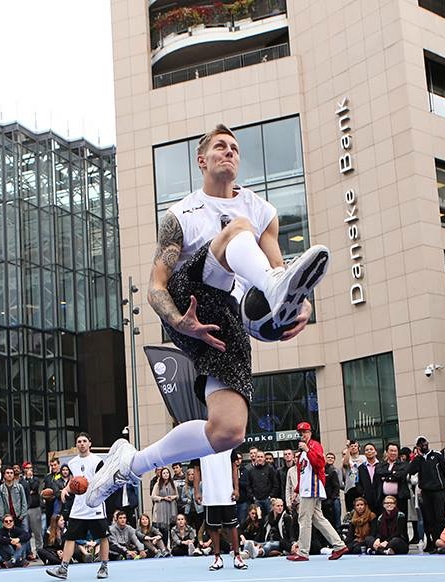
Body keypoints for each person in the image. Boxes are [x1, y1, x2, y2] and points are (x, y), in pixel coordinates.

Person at [85, 123, 329, 509]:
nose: (229, 152)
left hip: (224, 317)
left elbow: (280, 271)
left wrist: (297, 308)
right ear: (202, 160)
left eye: (234, 147)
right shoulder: (181, 215)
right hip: (188, 299)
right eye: (220, 146)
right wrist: (179, 321)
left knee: (228, 432)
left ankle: (129, 464)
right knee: (237, 231)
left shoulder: (262, 210)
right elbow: (154, 286)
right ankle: (269, 286)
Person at [46, 433, 111, 581]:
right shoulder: (73, 463)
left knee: (103, 537)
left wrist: (92, 486)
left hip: (95, 505)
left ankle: (104, 566)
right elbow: (74, 481)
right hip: (78, 507)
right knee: (70, 537)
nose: (81, 444)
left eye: (84, 441)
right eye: (79, 442)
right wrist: (65, 489)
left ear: (90, 444)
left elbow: (104, 480)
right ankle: (63, 569)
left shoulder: (97, 461)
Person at [286, 422, 348, 562]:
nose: (302, 435)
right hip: (307, 488)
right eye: (300, 432)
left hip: (312, 488)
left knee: (304, 518)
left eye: (304, 432)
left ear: (310, 433)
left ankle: (303, 552)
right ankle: (339, 545)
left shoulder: (314, 446)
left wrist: (307, 450)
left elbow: (320, 464)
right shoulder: (303, 450)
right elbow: (302, 472)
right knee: (318, 518)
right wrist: (297, 489)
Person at [194, 447, 247, 571]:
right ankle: (217, 557)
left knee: (232, 526)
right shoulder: (200, 448)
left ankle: (237, 556)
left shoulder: (228, 447)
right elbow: (196, 470)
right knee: (212, 527)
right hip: (210, 495)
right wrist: (196, 491)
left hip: (227, 495)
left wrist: (236, 488)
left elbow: (234, 467)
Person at [408, 436, 445, 553]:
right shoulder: (418, 459)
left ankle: (441, 541)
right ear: (417, 447)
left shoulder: (437, 456)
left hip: (438, 491)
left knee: (440, 518)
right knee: (428, 519)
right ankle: (431, 541)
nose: (423, 445)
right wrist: (417, 457)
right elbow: (411, 470)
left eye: (425, 443)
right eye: (420, 444)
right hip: (425, 492)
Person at [376, 442, 410, 519]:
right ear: (387, 452)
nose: (393, 453)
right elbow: (379, 472)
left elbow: (399, 475)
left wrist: (386, 477)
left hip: (400, 498)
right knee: (385, 522)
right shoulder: (380, 465)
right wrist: (392, 474)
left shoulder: (403, 464)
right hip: (384, 497)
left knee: (400, 520)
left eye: (395, 451)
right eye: (391, 451)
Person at [0, 466, 29, 534]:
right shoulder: (0, 489)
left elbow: (24, 502)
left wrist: (22, 515)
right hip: (7, 518)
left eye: (11, 473)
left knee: (25, 535)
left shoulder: (19, 487)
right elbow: (0, 505)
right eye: (7, 473)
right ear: (4, 475)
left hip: (20, 516)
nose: (9, 474)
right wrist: (3, 518)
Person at [356, 443, 384, 515]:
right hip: (367, 499)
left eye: (371, 449)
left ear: (375, 452)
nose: (369, 451)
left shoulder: (382, 465)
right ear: (364, 453)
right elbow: (358, 482)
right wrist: (363, 493)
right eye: (367, 450)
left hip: (381, 498)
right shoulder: (361, 468)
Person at [21, 462, 43, 547]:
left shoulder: (36, 479)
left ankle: (39, 550)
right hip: (24, 508)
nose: (29, 470)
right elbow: (24, 490)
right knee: (26, 531)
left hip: (34, 507)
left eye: (30, 468)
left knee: (37, 531)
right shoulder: (21, 480)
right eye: (27, 468)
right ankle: (28, 551)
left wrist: (30, 478)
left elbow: (34, 487)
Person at [341, 440, 366, 512]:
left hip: (362, 487)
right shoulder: (347, 458)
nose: (353, 447)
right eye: (351, 446)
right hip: (350, 488)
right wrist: (348, 448)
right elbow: (345, 463)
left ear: (359, 448)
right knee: (351, 511)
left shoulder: (364, 458)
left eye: (355, 446)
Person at [179, 466, 204, 532]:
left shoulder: (200, 484)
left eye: (193, 474)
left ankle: (198, 541)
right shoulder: (185, 487)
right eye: (189, 475)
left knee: (199, 527)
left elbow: (204, 495)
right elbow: (182, 498)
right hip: (188, 510)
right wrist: (187, 500)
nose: (191, 476)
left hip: (199, 510)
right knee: (188, 527)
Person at [323, 452, 343, 529]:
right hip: (323, 497)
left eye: (332, 458)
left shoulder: (336, 470)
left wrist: (332, 498)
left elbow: (337, 486)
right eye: (328, 457)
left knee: (336, 509)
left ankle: (338, 528)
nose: (330, 459)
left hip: (333, 497)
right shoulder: (322, 469)